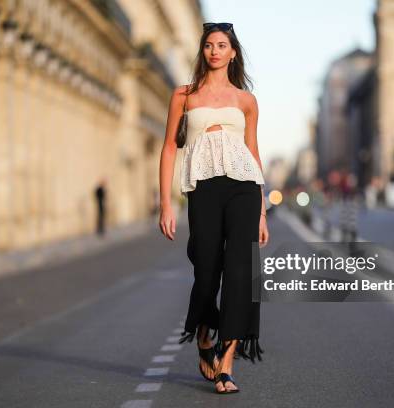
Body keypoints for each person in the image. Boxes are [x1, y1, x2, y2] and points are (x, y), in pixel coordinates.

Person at [158, 22, 268, 394]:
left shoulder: (246, 101)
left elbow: (252, 152)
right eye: (209, 45)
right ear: (203, 51)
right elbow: (170, 147)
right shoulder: (184, 95)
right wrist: (165, 204)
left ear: (233, 52)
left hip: (244, 188)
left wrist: (263, 211)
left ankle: (226, 363)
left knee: (241, 273)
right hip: (203, 188)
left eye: (222, 45)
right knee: (206, 271)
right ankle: (205, 335)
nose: (215, 51)